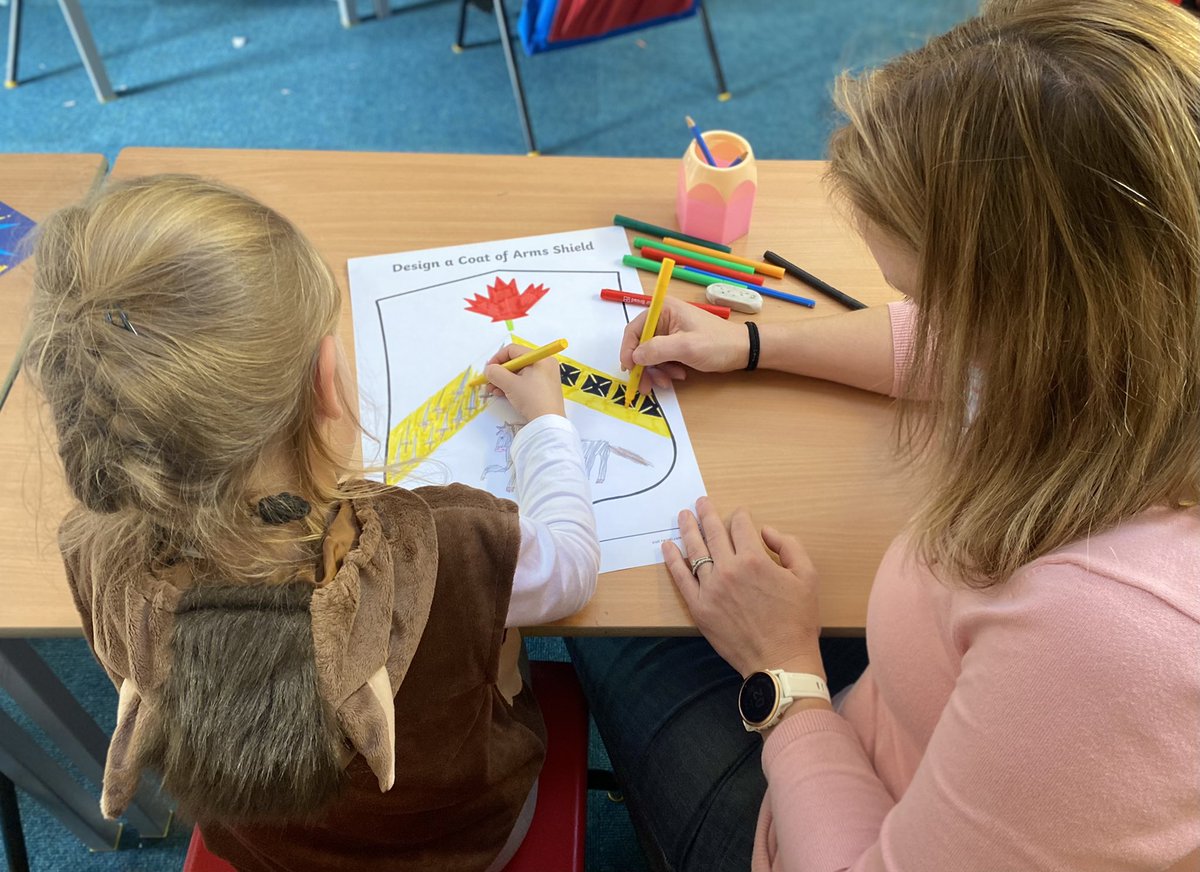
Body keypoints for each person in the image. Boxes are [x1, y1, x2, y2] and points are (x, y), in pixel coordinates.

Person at [568, 0, 1200, 869]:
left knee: (608, 610)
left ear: (1038, 319)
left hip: (818, 818)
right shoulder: (1157, 338)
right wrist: (753, 340)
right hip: (907, 715)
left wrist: (784, 676)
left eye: (938, 301)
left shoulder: (1105, 636)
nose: (923, 325)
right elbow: (947, 353)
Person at [23, 174, 600, 872]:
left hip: (264, 854)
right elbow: (571, 568)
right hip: (463, 841)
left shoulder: (91, 551)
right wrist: (546, 423)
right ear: (327, 380)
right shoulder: (447, 543)